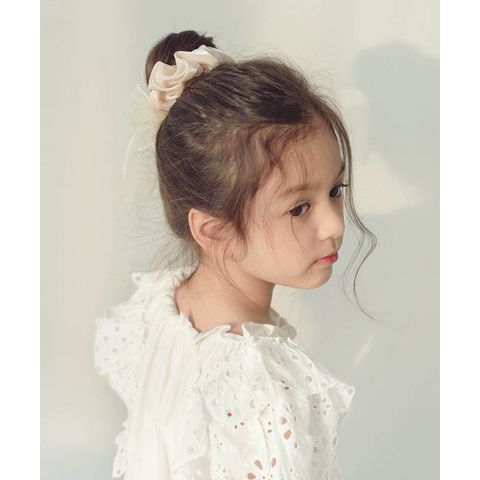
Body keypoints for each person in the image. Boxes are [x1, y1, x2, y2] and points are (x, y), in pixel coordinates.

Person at [95, 29, 374, 480]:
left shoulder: (163, 308)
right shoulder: (259, 387)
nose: (335, 225)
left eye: (335, 190)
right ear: (213, 230)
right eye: (299, 207)